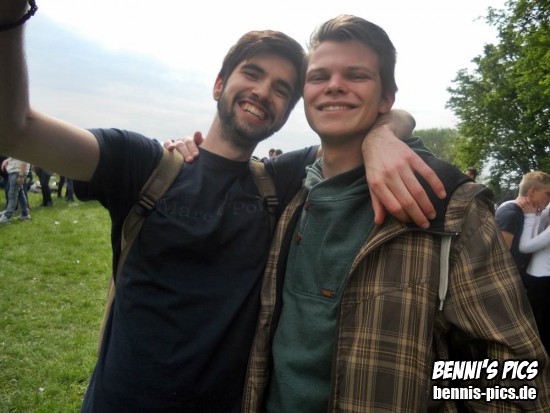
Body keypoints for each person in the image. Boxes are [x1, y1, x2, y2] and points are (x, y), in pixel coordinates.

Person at [0, 3, 448, 412]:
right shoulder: (141, 164)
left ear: (288, 112)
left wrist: (382, 135)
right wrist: (12, 15)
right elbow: (16, 129)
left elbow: (365, 121)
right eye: (252, 74)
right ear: (219, 84)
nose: (263, 92)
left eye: (281, 89)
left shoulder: (279, 180)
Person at [242, 15, 550, 412]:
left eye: (356, 75)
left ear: (387, 99)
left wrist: (423, 390)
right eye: (319, 76)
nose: (334, 85)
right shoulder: (289, 194)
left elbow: (520, 380)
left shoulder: (450, 206)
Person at [496, 171, 550, 283]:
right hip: (507, 281)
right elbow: (499, 257)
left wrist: (534, 216)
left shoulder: (531, 212)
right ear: (532, 192)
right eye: (548, 194)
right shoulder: (510, 214)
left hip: (520, 279)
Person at [519, 203, 550, 353]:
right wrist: (536, 215)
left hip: (541, 282)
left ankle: (540, 357)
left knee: (539, 324)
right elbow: (537, 236)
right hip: (540, 279)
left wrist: (530, 217)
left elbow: (525, 247)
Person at [0, 156, 31, 222]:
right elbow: (16, 157)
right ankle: (25, 214)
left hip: (18, 172)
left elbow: (24, 160)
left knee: (12, 194)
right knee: (20, 193)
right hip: (15, 171)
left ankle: (7, 216)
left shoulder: (24, 149)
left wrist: (21, 176)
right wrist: (7, 160)